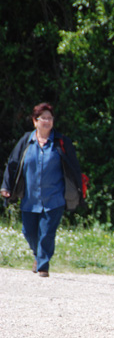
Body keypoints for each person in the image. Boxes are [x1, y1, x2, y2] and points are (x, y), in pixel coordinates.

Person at [1, 102, 84, 277]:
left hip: (54, 199)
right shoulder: (26, 141)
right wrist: (6, 186)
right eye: (43, 118)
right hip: (30, 199)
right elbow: (13, 163)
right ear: (35, 121)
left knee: (47, 233)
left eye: (49, 118)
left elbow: (74, 167)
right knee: (28, 232)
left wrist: (77, 189)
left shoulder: (61, 142)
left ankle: (43, 266)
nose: (47, 121)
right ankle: (38, 256)